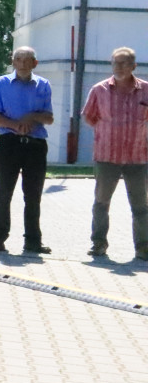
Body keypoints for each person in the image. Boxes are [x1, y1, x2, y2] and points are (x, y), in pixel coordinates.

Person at [81, 47, 148, 260]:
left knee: (140, 205)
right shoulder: (99, 90)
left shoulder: (146, 90)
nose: (118, 67)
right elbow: (89, 116)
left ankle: (143, 248)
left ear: (133, 66)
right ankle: (98, 244)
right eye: (115, 63)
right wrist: (108, 132)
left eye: (123, 63)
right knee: (101, 202)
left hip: (138, 156)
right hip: (106, 156)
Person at [0, 46, 53, 254]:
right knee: (4, 193)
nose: (22, 64)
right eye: (18, 59)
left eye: (27, 60)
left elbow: (49, 118)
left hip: (35, 146)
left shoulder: (43, 85)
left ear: (35, 63)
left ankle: (33, 241)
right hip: (9, 144)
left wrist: (32, 116)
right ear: (13, 62)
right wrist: (15, 125)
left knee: (33, 196)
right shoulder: (2, 83)